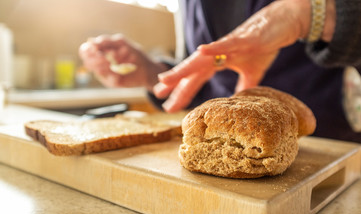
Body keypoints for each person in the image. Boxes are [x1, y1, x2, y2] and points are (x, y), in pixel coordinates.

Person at [79, 0, 361, 143]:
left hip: (335, 147)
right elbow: (209, 87)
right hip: (229, 167)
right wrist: (153, 73)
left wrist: (315, 13)